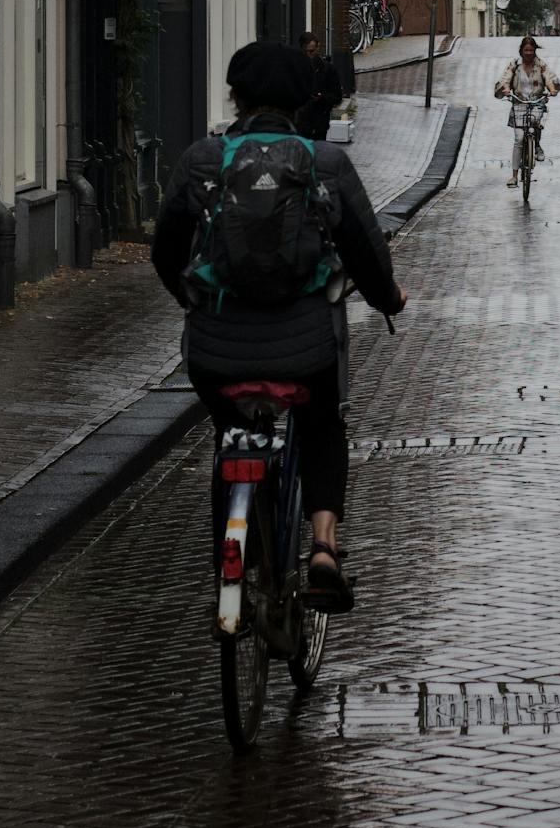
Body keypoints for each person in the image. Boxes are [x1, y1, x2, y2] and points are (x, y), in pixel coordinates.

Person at [151, 40, 406, 611]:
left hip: (217, 352)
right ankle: (322, 548)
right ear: (300, 102)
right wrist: (389, 299)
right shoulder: (325, 164)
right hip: (306, 347)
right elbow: (365, 252)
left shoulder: (201, 160)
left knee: (228, 434)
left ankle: (232, 551)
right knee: (321, 428)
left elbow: (165, 251)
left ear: (235, 97)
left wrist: (190, 299)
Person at [494, 36, 560, 189]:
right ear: (521, 51)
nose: (529, 53)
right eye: (526, 50)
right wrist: (505, 88)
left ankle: (536, 145)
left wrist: (552, 89)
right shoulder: (514, 65)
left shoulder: (540, 65)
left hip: (536, 102)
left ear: (534, 51)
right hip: (519, 103)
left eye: (531, 50)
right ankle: (514, 176)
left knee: (535, 123)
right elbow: (505, 78)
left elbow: (549, 78)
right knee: (518, 139)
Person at [295, 30, 342, 142]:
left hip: (319, 123)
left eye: (311, 51)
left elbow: (337, 96)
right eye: (305, 52)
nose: (308, 55)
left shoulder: (328, 70)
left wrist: (322, 97)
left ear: (317, 48)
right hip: (300, 123)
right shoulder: (295, 69)